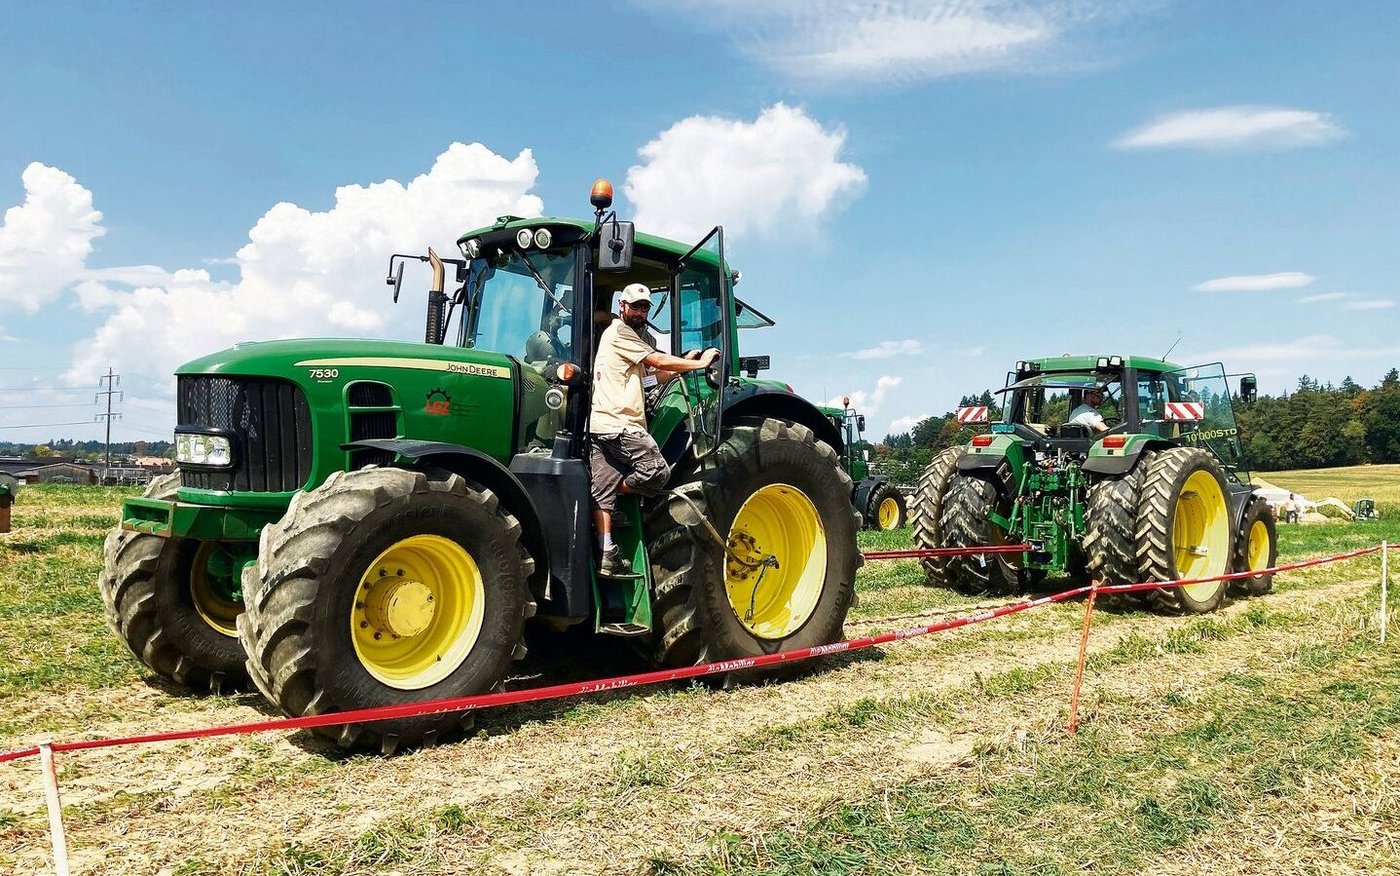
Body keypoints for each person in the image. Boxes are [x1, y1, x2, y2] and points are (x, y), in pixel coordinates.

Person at [590, 282, 720, 575]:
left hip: (600, 424)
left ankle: (606, 553)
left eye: (645, 307)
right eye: (635, 306)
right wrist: (699, 365)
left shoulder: (627, 341)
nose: (640, 312)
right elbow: (657, 359)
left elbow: (652, 378)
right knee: (658, 473)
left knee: (601, 491)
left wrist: (682, 363)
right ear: (622, 306)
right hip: (622, 424)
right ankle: (621, 491)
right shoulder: (619, 332)